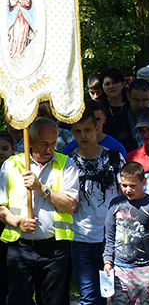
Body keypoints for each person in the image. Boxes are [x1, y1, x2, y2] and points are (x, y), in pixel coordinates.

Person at [0, 117, 79, 305]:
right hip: (20, 248)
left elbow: (71, 205)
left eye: (53, 143)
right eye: (44, 143)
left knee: (52, 301)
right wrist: (17, 222)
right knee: (18, 300)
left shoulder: (67, 165)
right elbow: (0, 207)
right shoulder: (11, 165)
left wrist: (40, 188)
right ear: (31, 141)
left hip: (54, 249)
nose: (49, 149)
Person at [69, 109, 125, 305]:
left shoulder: (115, 158)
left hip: (112, 237)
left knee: (114, 296)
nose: (83, 136)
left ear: (97, 128)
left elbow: (125, 196)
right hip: (81, 238)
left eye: (87, 130)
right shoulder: (68, 164)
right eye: (77, 131)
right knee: (89, 297)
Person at [104, 162, 149, 305]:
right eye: (124, 185)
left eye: (133, 186)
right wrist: (107, 261)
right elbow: (109, 236)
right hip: (118, 269)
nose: (128, 190)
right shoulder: (115, 204)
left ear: (144, 182)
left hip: (145, 270)